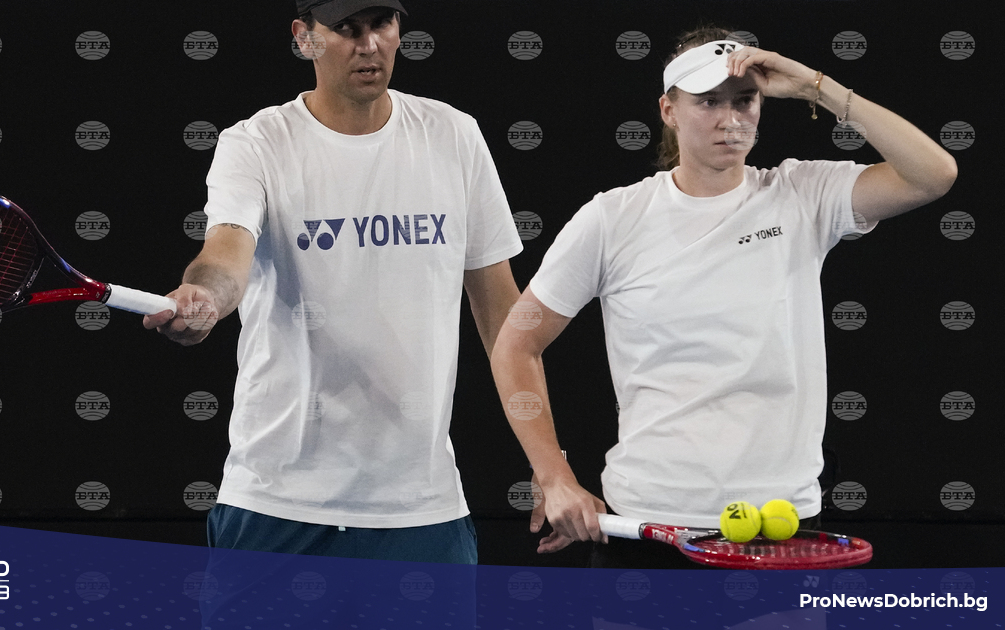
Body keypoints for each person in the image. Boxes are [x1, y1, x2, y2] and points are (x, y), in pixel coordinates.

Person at [490, 26, 957, 568]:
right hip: (649, 520)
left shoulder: (802, 194)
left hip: (783, 521)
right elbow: (515, 345)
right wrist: (554, 477)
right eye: (708, 101)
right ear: (668, 110)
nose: (729, 118)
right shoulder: (611, 218)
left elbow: (934, 174)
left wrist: (815, 86)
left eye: (744, 100)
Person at [144, 0, 523, 565]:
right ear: (305, 38)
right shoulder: (254, 143)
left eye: (381, 25)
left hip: (421, 512)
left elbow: (506, 323)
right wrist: (204, 298)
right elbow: (225, 254)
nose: (368, 45)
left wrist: (550, 464)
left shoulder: (454, 136)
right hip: (276, 507)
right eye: (346, 29)